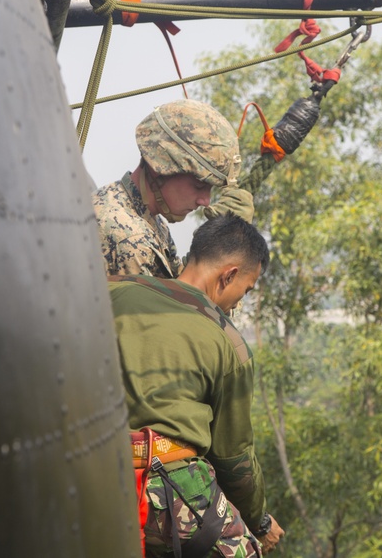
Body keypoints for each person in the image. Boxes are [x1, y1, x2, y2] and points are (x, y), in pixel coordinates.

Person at [109, 214, 285, 557]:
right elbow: (234, 460)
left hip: (88, 471)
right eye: (245, 290)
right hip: (168, 489)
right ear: (229, 275)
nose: (239, 302)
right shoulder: (228, 342)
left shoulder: (112, 291)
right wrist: (259, 522)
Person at [92, 99, 255, 278]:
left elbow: (178, 283)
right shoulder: (131, 238)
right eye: (199, 186)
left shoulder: (148, 219)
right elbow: (180, 305)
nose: (205, 201)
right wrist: (228, 251)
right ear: (161, 167)